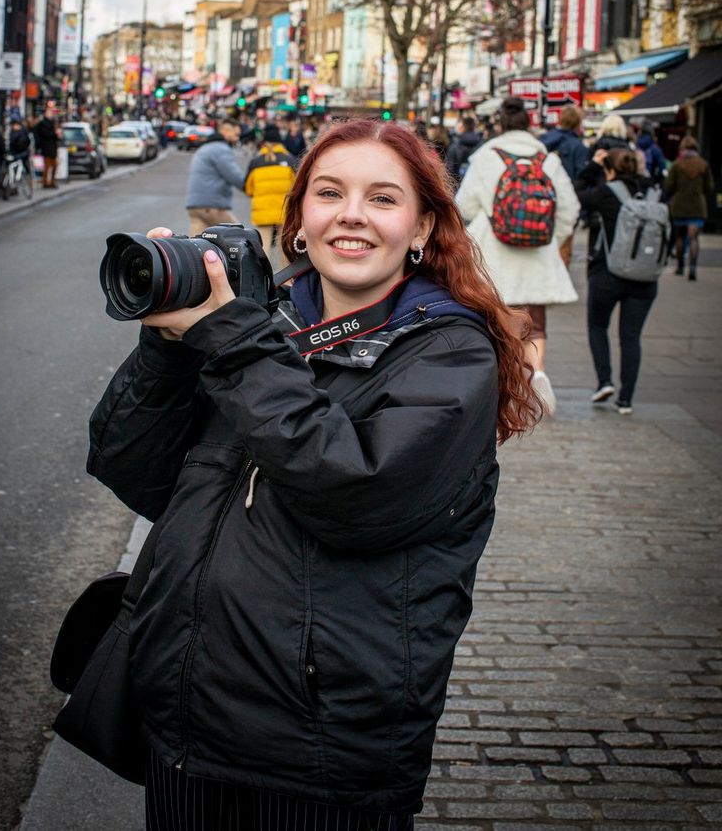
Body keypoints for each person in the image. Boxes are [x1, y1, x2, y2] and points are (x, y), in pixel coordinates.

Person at [88, 119, 540, 830]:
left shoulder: (449, 355)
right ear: (300, 220)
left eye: (382, 198)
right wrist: (170, 343)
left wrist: (231, 340)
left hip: (318, 750)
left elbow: (356, 494)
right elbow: (136, 469)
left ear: (422, 228)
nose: (352, 213)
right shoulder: (264, 324)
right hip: (186, 724)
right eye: (330, 192)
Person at [456, 96, 579, 417]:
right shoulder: (548, 160)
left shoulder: (486, 157)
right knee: (535, 323)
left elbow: (465, 205)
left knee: (496, 319)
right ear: (529, 125)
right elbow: (570, 208)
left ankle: (502, 385)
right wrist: (551, 236)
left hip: (494, 254)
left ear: (501, 125)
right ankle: (536, 374)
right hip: (537, 254)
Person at [575, 148, 659, 414]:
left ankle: (605, 381)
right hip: (645, 277)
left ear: (610, 169)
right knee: (631, 337)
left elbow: (574, 194)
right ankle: (626, 399)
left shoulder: (606, 192)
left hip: (606, 273)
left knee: (598, 326)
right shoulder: (654, 192)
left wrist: (592, 167)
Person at [541, 105, 590, 266]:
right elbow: (582, 177)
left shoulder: (544, 140)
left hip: (538, 201)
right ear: (578, 123)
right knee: (563, 250)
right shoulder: (579, 147)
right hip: (564, 203)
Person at [663, 134, 715, 281]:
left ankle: (680, 267)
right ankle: (692, 268)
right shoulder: (703, 164)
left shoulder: (677, 165)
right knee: (694, 238)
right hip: (697, 205)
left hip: (679, 205)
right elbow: (709, 186)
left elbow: (669, 186)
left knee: (680, 237)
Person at [244, 122, 296, 261]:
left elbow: (249, 189)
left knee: (263, 248)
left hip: (262, 211)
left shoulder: (256, 162)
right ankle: (288, 281)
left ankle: (262, 278)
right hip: (284, 211)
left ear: (264, 142)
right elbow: (297, 186)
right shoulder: (290, 160)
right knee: (285, 249)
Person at [184, 117, 245, 236]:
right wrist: (252, 189)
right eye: (236, 134)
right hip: (212, 205)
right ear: (226, 130)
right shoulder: (220, 149)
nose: (238, 138)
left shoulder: (205, 147)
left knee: (197, 247)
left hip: (194, 206)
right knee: (240, 238)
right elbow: (233, 175)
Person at [445, 116, 483, 184]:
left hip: (458, 186)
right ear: (474, 128)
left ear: (463, 128)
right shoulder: (482, 145)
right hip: (476, 184)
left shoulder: (455, 146)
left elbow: (449, 170)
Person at [632, 120, 667, 187]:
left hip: (635, 183)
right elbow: (662, 169)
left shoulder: (634, 146)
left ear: (640, 131)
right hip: (650, 183)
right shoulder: (656, 149)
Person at [35, 106, 61, 189]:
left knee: (54, 166)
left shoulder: (52, 123)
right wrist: (55, 134)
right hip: (46, 148)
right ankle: (45, 182)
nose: (51, 114)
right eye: (49, 113)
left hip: (52, 148)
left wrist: (57, 135)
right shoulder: (43, 123)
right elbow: (45, 135)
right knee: (47, 166)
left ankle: (52, 181)